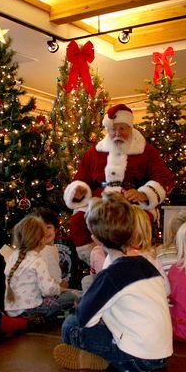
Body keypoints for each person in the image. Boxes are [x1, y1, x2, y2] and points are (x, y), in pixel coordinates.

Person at [53, 193, 172, 372]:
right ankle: (106, 358)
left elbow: (84, 319)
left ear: (96, 239)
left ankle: (105, 360)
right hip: (162, 354)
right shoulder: (148, 266)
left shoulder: (111, 275)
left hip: (135, 358)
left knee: (70, 325)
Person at [63, 104, 174, 264]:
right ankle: (97, 262)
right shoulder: (94, 152)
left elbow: (163, 178)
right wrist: (79, 190)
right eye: (113, 129)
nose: (117, 133)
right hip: (99, 199)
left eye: (122, 128)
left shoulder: (146, 150)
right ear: (107, 130)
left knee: (140, 221)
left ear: (130, 127)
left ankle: (133, 261)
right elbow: (81, 178)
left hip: (132, 200)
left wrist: (144, 193)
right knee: (77, 221)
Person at [4, 215, 77, 320]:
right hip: (32, 310)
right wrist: (60, 289)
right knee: (72, 296)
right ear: (40, 239)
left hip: (12, 312)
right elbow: (49, 290)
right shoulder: (37, 260)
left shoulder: (13, 256)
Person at [32, 207, 65, 287]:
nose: (45, 232)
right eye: (41, 228)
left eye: (48, 227)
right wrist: (61, 283)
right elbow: (53, 277)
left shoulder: (51, 248)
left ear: (55, 229)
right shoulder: (44, 250)